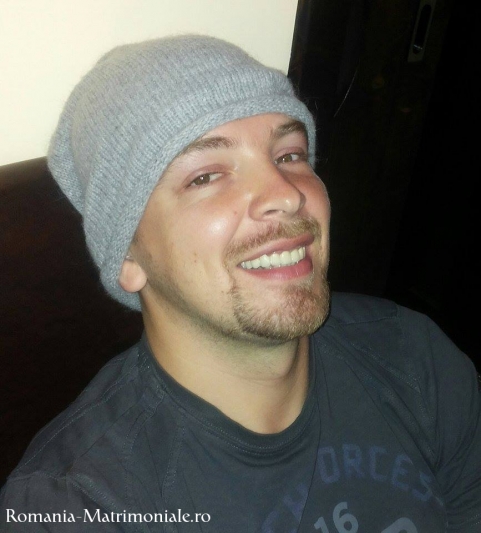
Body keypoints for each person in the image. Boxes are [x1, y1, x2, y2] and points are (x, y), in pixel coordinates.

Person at [1, 35, 480, 533]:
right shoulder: (75, 505)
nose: (285, 195)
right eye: (205, 176)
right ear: (128, 256)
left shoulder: (413, 356)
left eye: (290, 155)